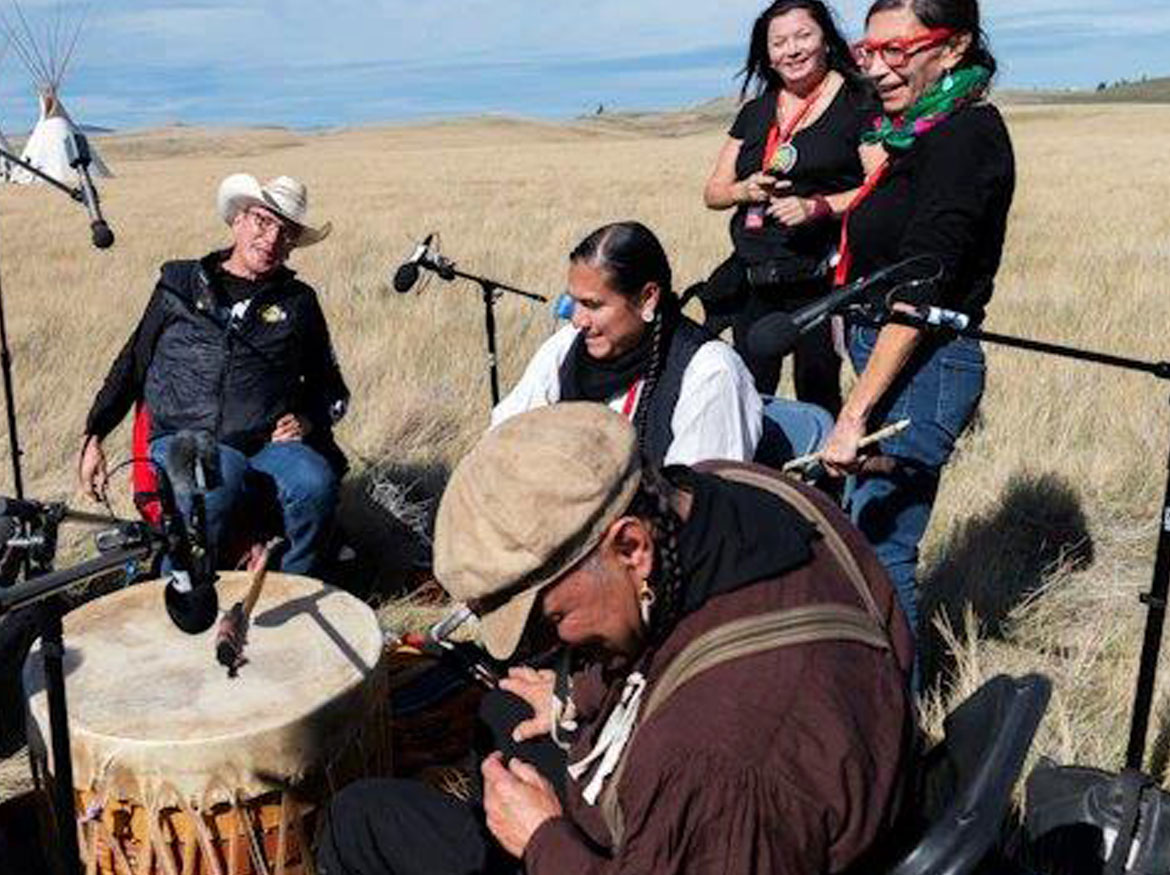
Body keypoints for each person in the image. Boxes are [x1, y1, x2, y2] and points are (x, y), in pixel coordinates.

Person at [316, 403, 914, 875]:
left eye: (547, 622)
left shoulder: (717, 763)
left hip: (721, 819)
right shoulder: (741, 493)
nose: (539, 646)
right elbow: (674, 630)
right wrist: (584, 694)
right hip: (762, 797)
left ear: (630, 546)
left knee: (361, 820)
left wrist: (542, 841)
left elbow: (716, 768)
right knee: (505, 711)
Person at [820, 0, 1015, 644]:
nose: (877, 68)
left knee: (882, 551)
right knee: (867, 540)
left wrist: (854, 414)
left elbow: (920, 287)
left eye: (896, 51)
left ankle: (897, 716)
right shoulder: (922, 132)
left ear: (953, 47)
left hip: (924, 366)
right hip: (895, 359)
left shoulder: (967, 136)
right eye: (867, 52)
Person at [77, 173, 350, 575]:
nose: (272, 238)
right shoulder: (180, 285)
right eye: (263, 221)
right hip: (182, 436)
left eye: (286, 231)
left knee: (314, 484)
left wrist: (308, 419)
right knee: (218, 479)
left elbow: (332, 390)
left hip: (263, 443)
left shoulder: (298, 302)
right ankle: (183, 597)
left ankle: (290, 591)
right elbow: (133, 361)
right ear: (237, 220)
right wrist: (94, 433)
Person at [493, 220, 831, 469]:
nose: (578, 320)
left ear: (647, 298)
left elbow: (694, 500)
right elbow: (504, 437)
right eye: (574, 302)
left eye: (593, 305)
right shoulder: (566, 346)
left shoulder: (710, 371)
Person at [703, 0, 879, 415]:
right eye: (779, 42)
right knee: (746, 397)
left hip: (819, 284)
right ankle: (752, 478)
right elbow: (713, 191)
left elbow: (880, 187)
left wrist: (818, 207)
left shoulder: (858, 100)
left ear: (826, 40)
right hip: (755, 282)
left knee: (817, 395)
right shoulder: (756, 111)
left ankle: (820, 479)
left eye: (803, 36)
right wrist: (745, 190)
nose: (792, 50)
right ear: (767, 53)